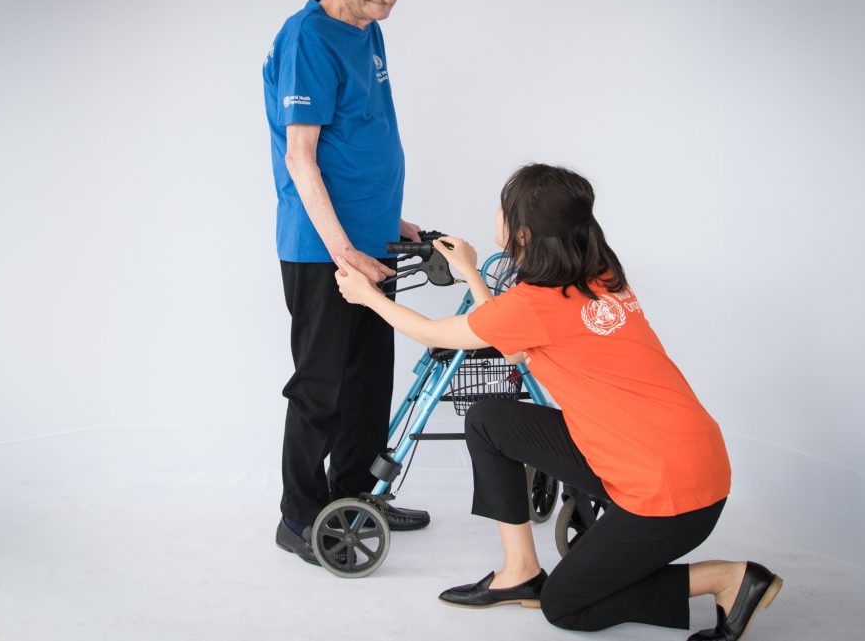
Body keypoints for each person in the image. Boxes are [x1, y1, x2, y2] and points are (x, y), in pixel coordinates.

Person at [334, 163, 782, 640]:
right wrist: (470, 272)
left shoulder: (535, 303)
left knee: (566, 606)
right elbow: (514, 341)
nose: (496, 214)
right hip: (677, 458)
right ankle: (519, 571)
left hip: (669, 494)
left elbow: (432, 332)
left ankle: (727, 579)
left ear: (523, 234)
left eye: (503, 208)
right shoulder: (599, 276)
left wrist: (368, 297)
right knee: (489, 420)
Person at [262, 0, 430, 567]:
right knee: (321, 386)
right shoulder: (307, 38)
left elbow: (359, 136)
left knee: (367, 379)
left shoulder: (368, 29)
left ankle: (355, 494)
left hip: (370, 238)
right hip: (323, 247)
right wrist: (342, 249)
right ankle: (298, 515)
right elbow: (302, 157)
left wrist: (395, 221)